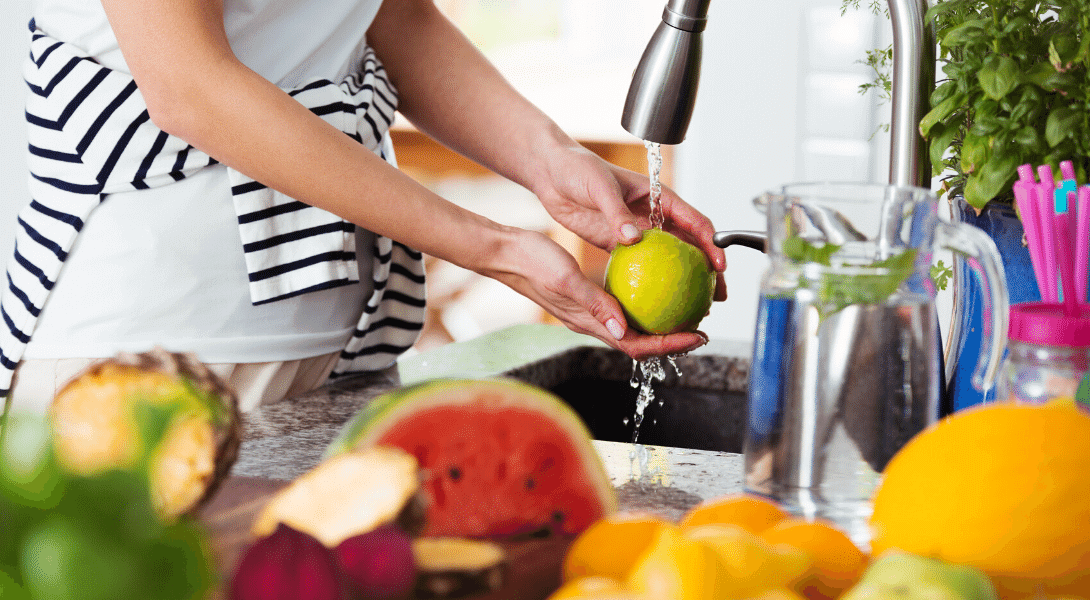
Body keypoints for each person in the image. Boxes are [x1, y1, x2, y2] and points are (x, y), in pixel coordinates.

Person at [2, 0, 727, 413]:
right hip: (148, 359)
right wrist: (494, 248)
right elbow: (190, 85)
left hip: (345, 351)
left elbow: (394, 15)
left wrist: (555, 163)